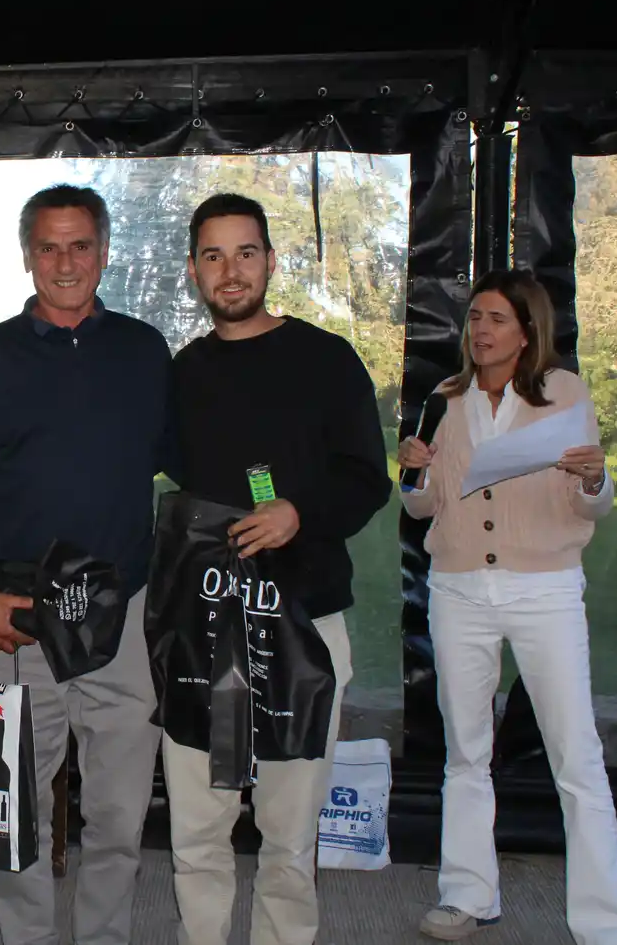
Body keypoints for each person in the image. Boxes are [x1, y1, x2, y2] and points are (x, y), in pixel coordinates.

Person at [161, 192, 391, 945]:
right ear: (195, 269)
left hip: (304, 629)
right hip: (207, 634)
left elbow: (367, 477)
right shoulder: (183, 374)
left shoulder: (326, 360)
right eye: (214, 255)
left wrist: (300, 511)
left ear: (270, 259)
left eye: (246, 253)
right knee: (199, 829)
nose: (231, 272)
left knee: (290, 839)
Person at [0, 184, 169, 945]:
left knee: (118, 814)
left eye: (80, 245)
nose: (66, 261)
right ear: (27, 256)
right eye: (49, 246)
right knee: (15, 814)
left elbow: (187, 461)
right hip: (13, 619)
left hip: (122, 618)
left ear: (104, 253)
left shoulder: (145, 351)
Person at [399, 269, 617, 944]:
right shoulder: (445, 398)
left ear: (528, 330)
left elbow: (589, 498)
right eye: (475, 317)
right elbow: (422, 506)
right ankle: (468, 895)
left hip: (545, 588)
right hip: (458, 590)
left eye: (496, 318)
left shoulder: (565, 392)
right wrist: (414, 470)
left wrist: (595, 477)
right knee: (465, 751)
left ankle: (606, 922)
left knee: (577, 756)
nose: (480, 329)